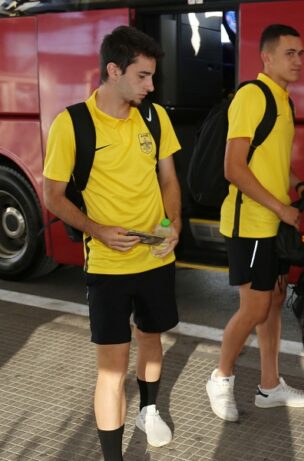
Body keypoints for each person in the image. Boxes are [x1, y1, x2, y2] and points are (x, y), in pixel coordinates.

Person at [43, 26, 182, 461]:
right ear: (113, 70)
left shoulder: (154, 118)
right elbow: (52, 196)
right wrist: (97, 230)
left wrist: (172, 224)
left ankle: (149, 410)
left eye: (152, 76)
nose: (151, 86)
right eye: (142, 76)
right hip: (107, 266)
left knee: (152, 339)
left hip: (156, 259)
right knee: (111, 369)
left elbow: (168, 179)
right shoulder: (72, 124)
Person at [205, 24, 304, 422]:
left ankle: (270, 386)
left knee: (272, 302)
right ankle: (221, 377)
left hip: (270, 225)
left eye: (301, 53)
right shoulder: (253, 96)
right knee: (254, 308)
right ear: (267, 57)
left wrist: (295, 183)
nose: (298, 61)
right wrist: (281, 209)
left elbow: (267, 162)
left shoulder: (283, 100)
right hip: (250, 223)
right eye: (290, 53)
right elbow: (234, 168)